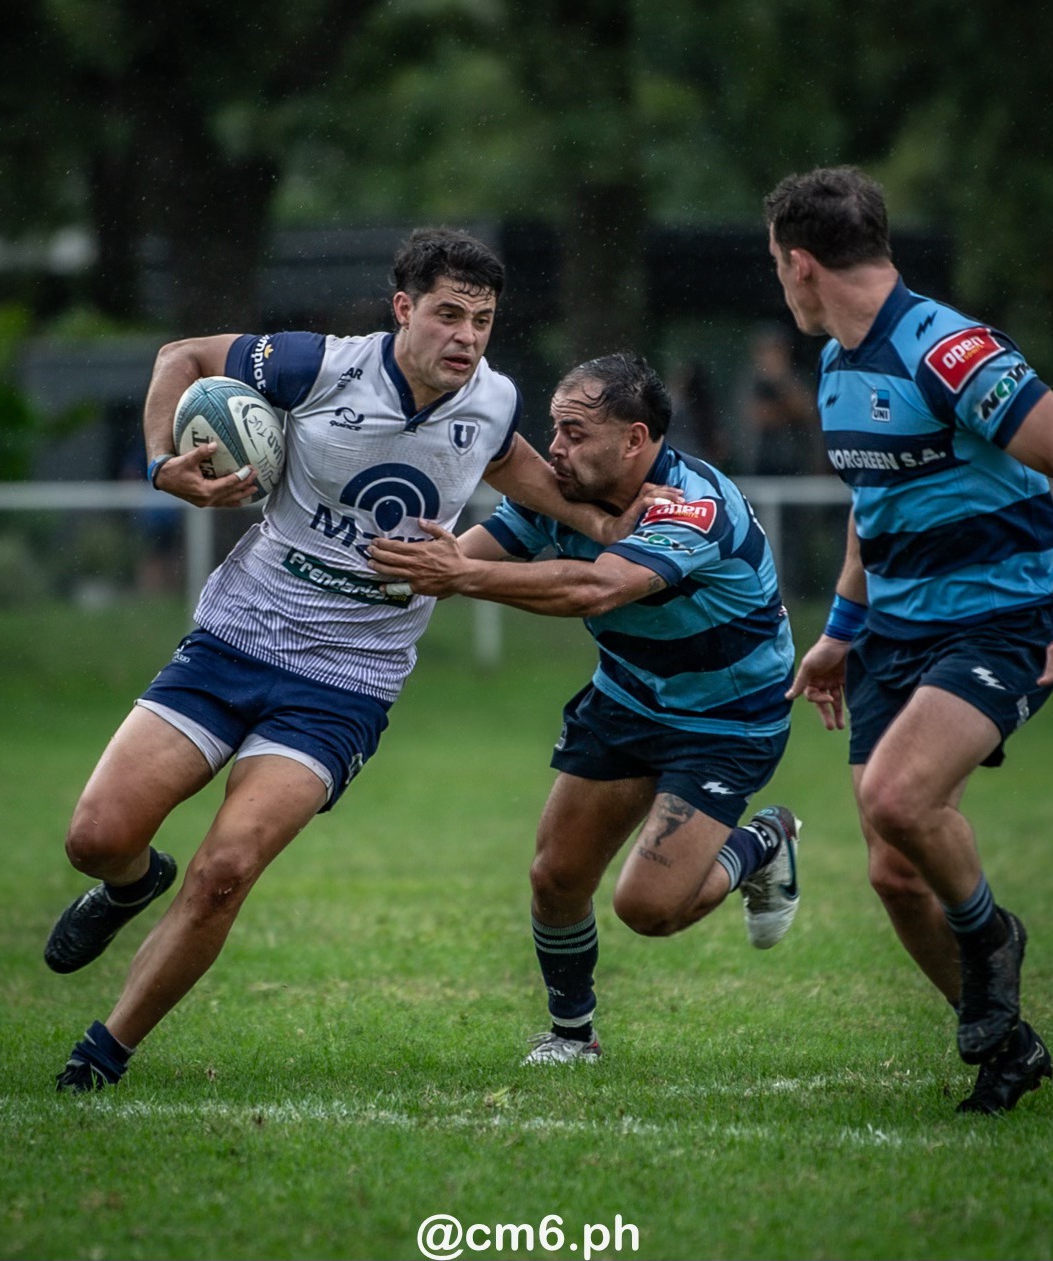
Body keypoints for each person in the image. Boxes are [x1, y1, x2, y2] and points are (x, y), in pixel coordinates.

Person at [44, 228, 674, 1092]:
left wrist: (620, 521)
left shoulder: (490, 402)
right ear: (403, 309)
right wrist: (162, 466)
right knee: (96, 837)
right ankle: (128, 883)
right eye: (448, 314)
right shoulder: (316, 365)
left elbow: (535, 479)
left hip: (345, 682)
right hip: (234, 639)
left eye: (483, 321)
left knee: (226, 870)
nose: (466, 337)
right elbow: (180, 356)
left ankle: (102, 1053)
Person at [764, 166, 1053, 1114]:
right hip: (892, 631)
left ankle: (988, 935)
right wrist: (839, 630)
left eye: (777, 265)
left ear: (800, 263)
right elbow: (873, 504)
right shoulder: (839, 360)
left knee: (897, 796)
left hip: (1000, 620)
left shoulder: (949, 351)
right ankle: (1008, 1043)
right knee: (893, 872)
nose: (780, 280)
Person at [369, 351, 802, 1064]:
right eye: (552, 430)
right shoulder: (558, 495)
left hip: (725, 720)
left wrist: (461, 575)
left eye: (573, 433)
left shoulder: (689, 505)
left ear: (634, 439)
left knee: (649, 909)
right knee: (556, 876)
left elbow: (594, 590)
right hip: (628, 696)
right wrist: (376, 558)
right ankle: (573, 1034)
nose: (554, 450)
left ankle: (765, 841)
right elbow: (448, 563)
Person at [742, 325, 819, 476]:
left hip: (798, 463)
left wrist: (781, 380)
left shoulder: (795, 378)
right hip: (761, 464)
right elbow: (760, 417)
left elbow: (806, 410)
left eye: (777, 350)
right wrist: (788, 411)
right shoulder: (751, 382)